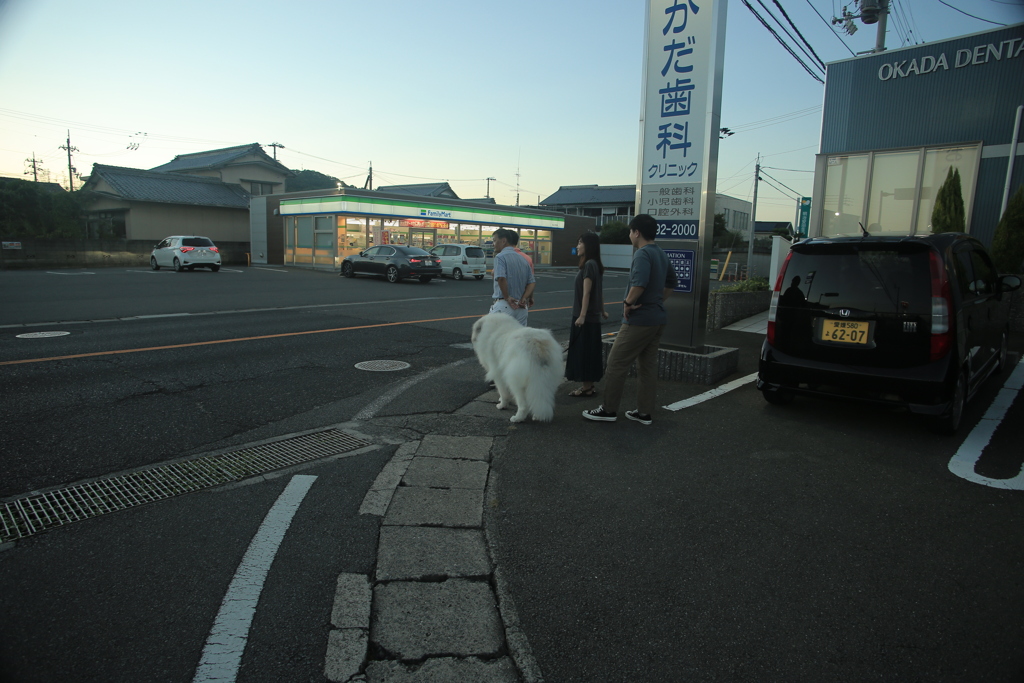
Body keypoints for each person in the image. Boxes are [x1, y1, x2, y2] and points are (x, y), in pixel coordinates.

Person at [583, 214, 677, 425]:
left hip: (640, 319)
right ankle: (644, 413)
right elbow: (672, 281)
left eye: (630, 231)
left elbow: (639, 283)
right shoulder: (660, 253)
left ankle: (608, 410)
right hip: (657, 317)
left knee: (616, 363)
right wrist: (657, 300)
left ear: (637, 232)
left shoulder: (642, 254)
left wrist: (627, 303)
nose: (629, 235)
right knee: (647, 367)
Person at [566, 231, 608, 397]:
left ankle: (586, 388)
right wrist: (602, 310)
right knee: (589, 352)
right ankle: (589, 387)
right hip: (592, 318)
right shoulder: (595, 264)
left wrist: (582, 316)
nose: (577, 246)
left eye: (580, 243)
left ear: (588, 246)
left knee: (583, 352)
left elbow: (587, 293)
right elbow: (600, 291)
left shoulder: (589, 265)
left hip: (584, 318)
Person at [489, 229, 536, 325]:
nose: (493, 244)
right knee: (518, 338)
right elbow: (531, 282)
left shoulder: (500, 257)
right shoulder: (524, 259)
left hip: (504, 305)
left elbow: (501, 278)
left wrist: (507, 297)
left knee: (496, 337)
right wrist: (524, 298)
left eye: (494, 240)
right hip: (521, 307)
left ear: (503, 241)